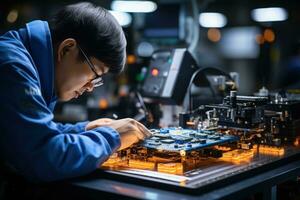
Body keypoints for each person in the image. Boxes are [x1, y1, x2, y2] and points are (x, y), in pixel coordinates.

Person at [0, 2, 151, 182]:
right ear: (67, 49)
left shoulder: (33, 64)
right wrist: (112, 137)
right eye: (95, 74)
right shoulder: (13, 68)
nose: (90, 87)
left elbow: (33, 134)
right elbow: (44, 156)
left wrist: (84, 129)